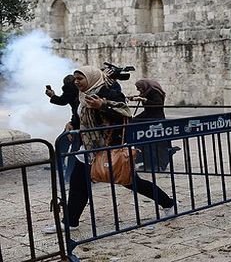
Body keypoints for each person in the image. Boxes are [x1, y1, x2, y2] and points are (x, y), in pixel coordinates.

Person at [43, 66, 176, 234]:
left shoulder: (109, 91)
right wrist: (72, 124)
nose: (76, 82)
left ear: (90, 78)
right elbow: (82, 115)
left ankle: (168, 203)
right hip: (88, 149)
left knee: (132, 183)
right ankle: (70, 222)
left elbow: (124, 113)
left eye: (80, 78)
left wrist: (103, 105)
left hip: (109, 149)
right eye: (75, 78)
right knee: (78, 186)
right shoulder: (83, 95)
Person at [130, 79, 177, 171]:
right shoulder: (147, 92)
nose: (139, 90)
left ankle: (157, 163)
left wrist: (144, 100)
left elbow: (157, 105)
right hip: (149, 116)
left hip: (155, 118)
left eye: (139, 88)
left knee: (157, 143)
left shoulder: (154, 92)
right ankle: (146, 161)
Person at [45, 75, 80, 182]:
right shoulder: (75, 90)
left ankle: (70, 176)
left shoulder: (75, 88)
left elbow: (63, 101)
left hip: (82, 125)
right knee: (62, 143)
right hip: (75, 122)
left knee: (75, 152)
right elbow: (68, 103)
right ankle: (58, 166)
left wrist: (52, 96)